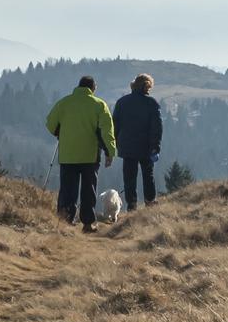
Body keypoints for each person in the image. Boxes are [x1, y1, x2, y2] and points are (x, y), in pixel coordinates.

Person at [44, 75, 116, 233]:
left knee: (68, 189)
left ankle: (64, 221)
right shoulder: (99, 105)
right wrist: (110, 152)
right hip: (90, 155)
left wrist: (59, 132)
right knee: (88, 189)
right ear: (93, 88)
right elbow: (106, 131)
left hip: (68, 154)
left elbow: (50, 123)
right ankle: (88, 223)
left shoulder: (64, 102)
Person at [113, 72, 163, 211]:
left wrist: (116, 143)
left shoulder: (122, 102)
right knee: (148, 175)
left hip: (127, 146)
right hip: (146, 147)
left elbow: (115, 125)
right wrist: (156, 146)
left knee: (129, 178)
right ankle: (150, 202)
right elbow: (157, 127)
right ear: (147, 86)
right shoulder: (151, 103)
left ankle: (131, 205)